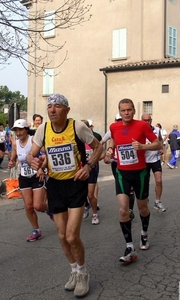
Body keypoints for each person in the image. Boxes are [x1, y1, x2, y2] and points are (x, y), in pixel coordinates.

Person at [27, 94, 103, 298]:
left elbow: (99, 147)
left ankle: (83, 273)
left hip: (76, 184)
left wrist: (88, 166)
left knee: (72, 235)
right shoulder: (43, 129)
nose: (52, 110)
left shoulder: (77, 127)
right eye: (49, 106)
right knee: (61, 236)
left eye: (57, 106)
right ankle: (74, 271)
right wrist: (32, 161)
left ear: (67, 110)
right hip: (55, 186)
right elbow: (30, 154)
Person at [108, 98, 161, 263]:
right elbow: (114, 139)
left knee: (142, 207)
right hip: (122, 173)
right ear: (119, 111)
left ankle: (144, 233)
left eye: (129, 110)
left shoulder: (142, 126)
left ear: (134, 111)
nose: (126, 113)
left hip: (140, 173)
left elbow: (157, 144)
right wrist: (110, 149)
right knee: (123, 210)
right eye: (123, 110)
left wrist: (143, 147)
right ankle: (129, 246)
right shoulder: (114, 126)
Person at [8, 119, 52, 241]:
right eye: (16, 130)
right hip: (24, 176)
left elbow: (47, 153)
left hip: (37, 175)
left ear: (26, 130)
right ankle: (36, 230)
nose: (18, 132)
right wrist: (11, 161)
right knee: (28, 206)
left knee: (38, 205)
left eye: (20, 129)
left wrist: (41, 168)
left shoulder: (33, 140)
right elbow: (14, 154)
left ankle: (50, 209)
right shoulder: (16, 143)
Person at [103, 114, 136, 220]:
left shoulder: (131, 130)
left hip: (129, 163)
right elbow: (100, 143)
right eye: (117, 120)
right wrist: (106, 154)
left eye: (120, 120)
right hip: (116, 163)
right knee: (121, 186)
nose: (119, 121)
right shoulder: (111, 130)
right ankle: (124, 207)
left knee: (130, 188)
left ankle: (129, 209)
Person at [141, 114, 166, 212]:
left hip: (155, 159)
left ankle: (157, 201)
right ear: (141, 120)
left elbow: (160, 140)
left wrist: (161, 148)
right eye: (145, 120)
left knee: (159, 181)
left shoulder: (157, 129)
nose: (147, 122)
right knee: (145, 182)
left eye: (149, 120)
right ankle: (145, 200)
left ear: (151, 120)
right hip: (144, 160)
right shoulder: (139, 129)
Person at [81, 120, 104, 225]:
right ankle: (86, 206)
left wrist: (93, 160)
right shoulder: (76, 140)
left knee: (90, 194)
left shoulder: (92, 140)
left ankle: (94, 213)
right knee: (82, 193)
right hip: (80, 170)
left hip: (91, 169)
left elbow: (102, 154)